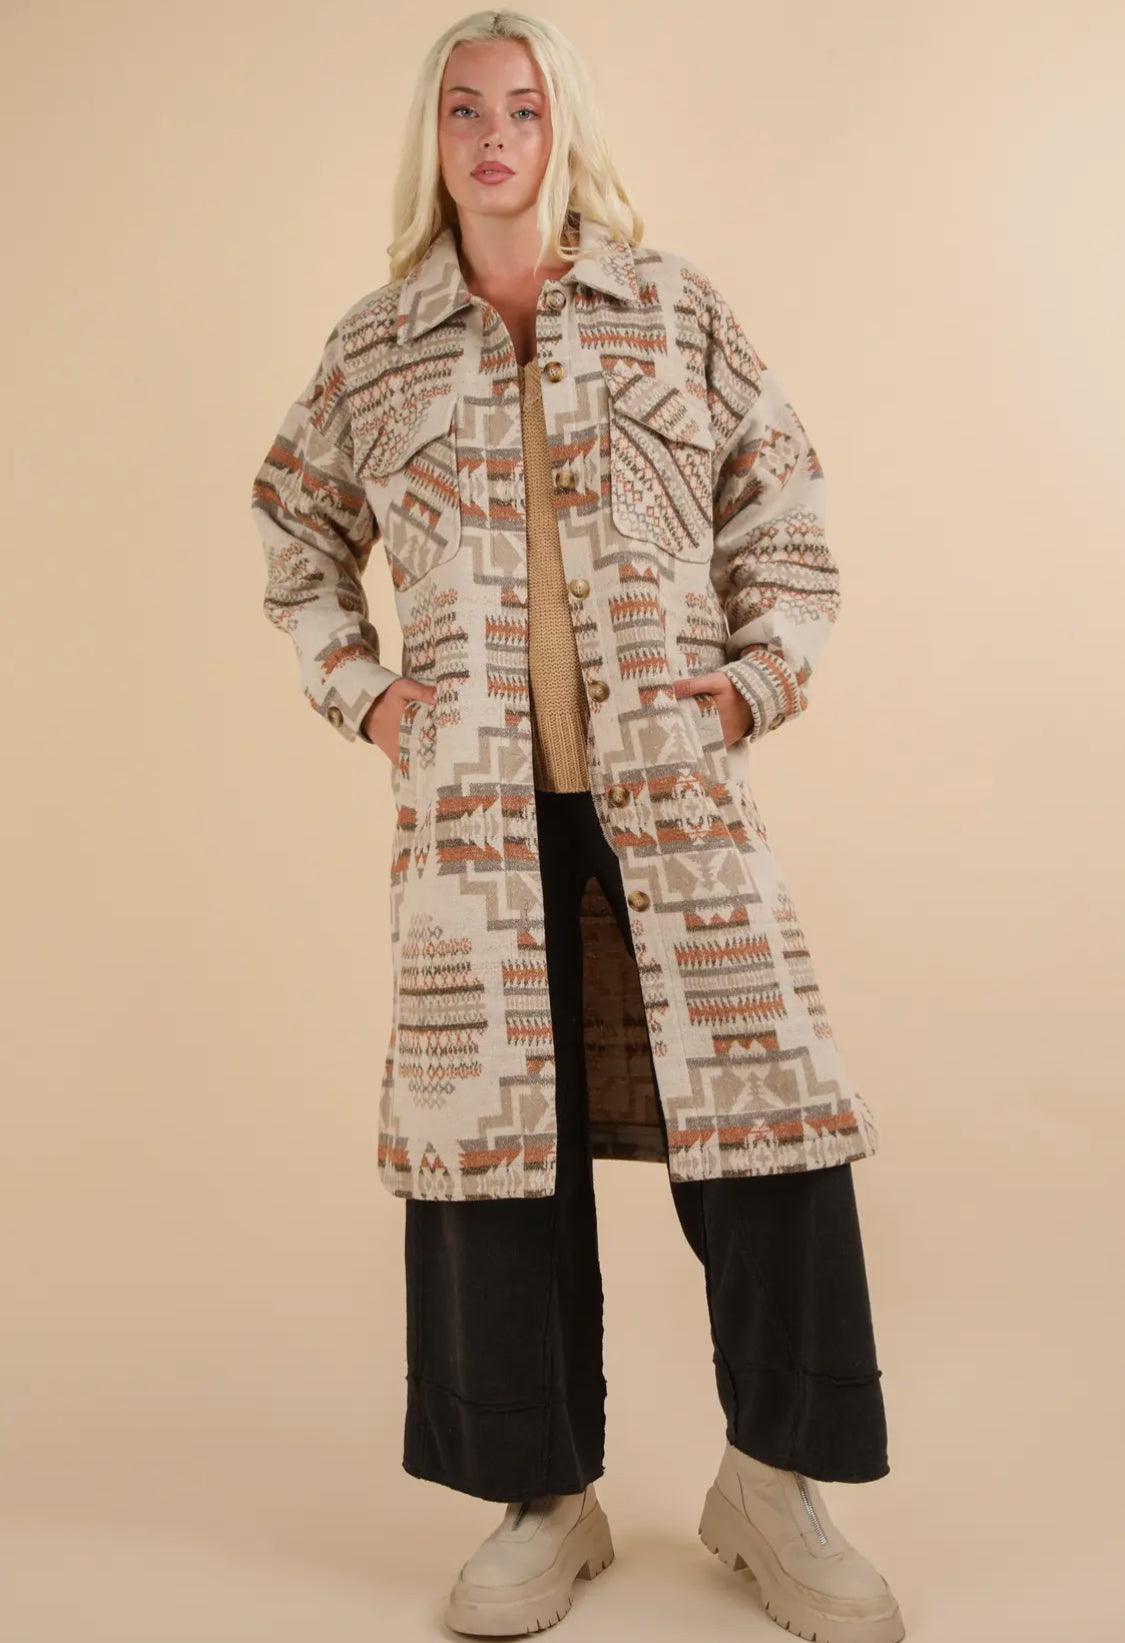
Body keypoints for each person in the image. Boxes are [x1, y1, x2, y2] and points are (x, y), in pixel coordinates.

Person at [249, 10, 905, 1642]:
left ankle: (772, 1483)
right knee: (496, 1154)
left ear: (563, 130)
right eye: (465, 110)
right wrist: (363, 693)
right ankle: (539, 1499)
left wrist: (751, 686)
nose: (494, 138)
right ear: (433, 139)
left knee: (762, 1124)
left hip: (675, 800)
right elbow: (294, 535)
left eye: (524, 109)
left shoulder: (672, 308)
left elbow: (787, 513)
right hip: (472, 822)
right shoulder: (376, 347)